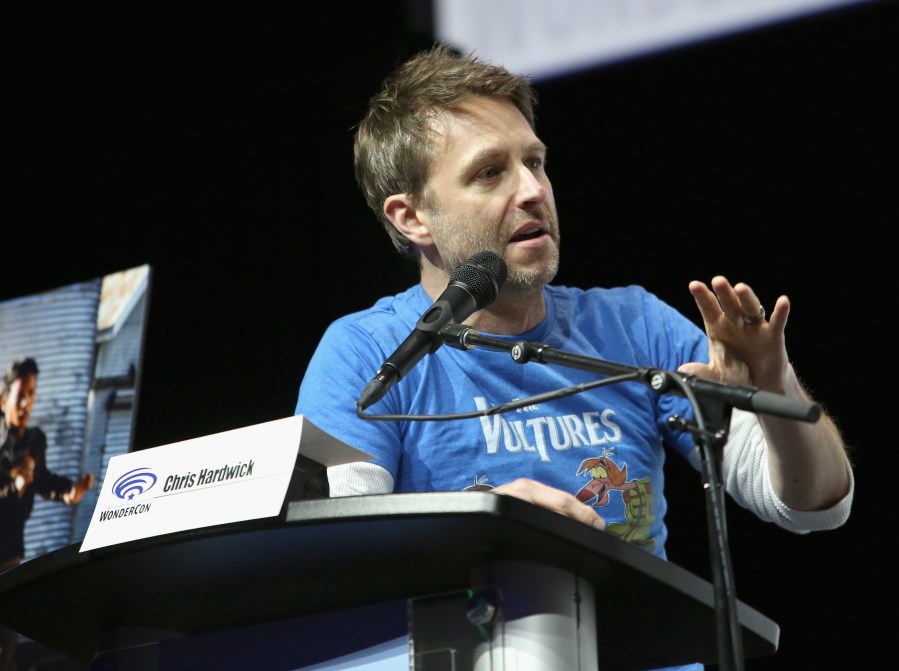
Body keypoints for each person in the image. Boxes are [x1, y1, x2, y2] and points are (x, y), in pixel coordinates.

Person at [294, 44, 853, 670]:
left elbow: (816, 507)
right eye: (490, 173)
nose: (533, 191)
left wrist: (776, 388)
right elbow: (334, 558)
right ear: (412, 216)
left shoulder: (634, 327)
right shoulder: (367, 352)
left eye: (536, 162)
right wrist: (493, 529)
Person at [0, 357, 95, 671]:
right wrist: (12, 487)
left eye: (32, 393)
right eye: (21, 394)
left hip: (10, 562)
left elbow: (42, 481)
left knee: (7, 650)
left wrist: (70, 491)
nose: (27, 402)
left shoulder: (34, 442)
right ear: (3, 400)